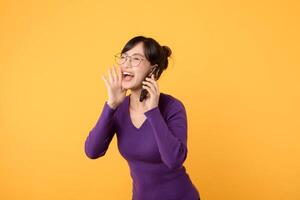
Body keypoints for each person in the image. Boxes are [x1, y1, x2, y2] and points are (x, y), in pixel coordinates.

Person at [84, 35, 201, 200]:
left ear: (152, 69)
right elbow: (92, 151)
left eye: (136, 59)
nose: (126, 64)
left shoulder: (172, 107)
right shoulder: (118, 108)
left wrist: (153, 111)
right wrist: (111, 105)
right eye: (124, 58)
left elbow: (174, 160)